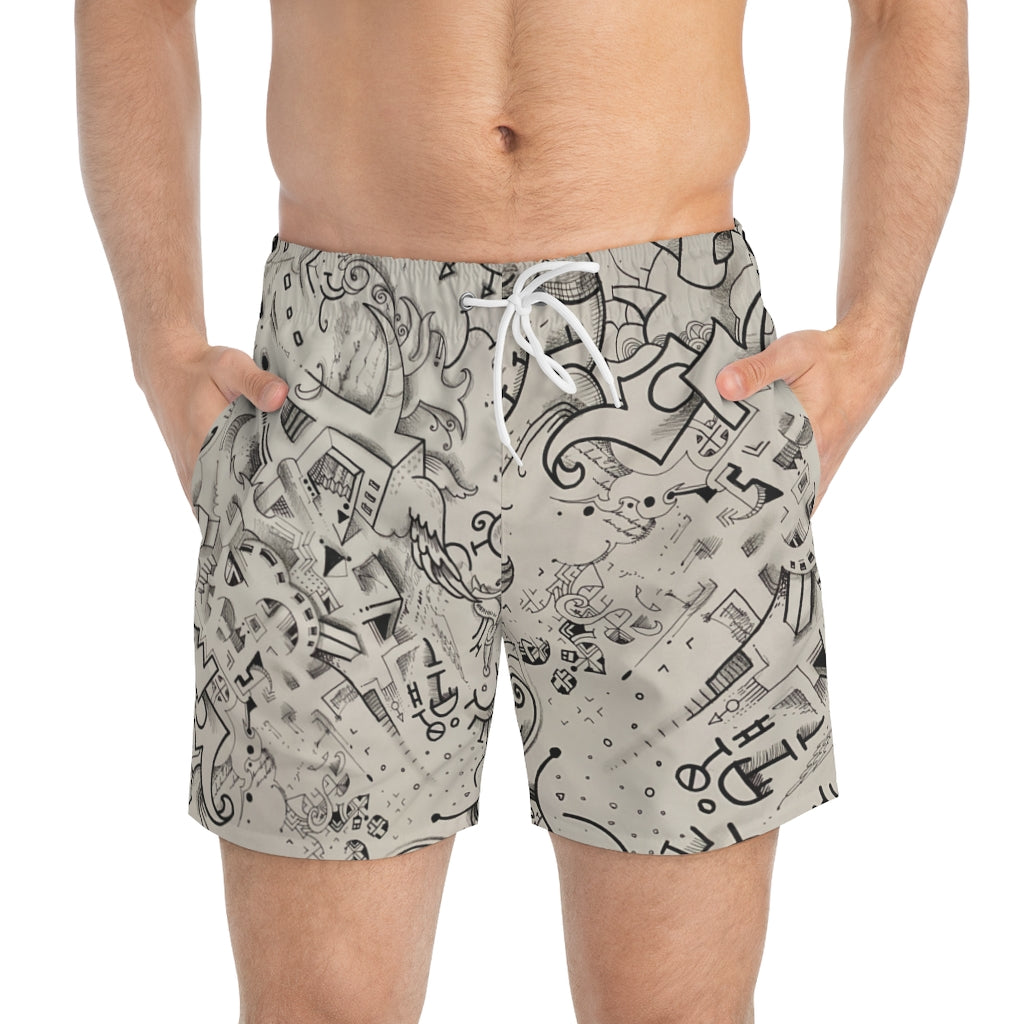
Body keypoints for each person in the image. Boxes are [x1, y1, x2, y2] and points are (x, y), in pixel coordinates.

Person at [74, 1, 968, 1021]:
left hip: (670, 377)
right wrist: (162, 344)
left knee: (676, 1010)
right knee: (318, 1006)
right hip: (345, 382)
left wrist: (877, 330)